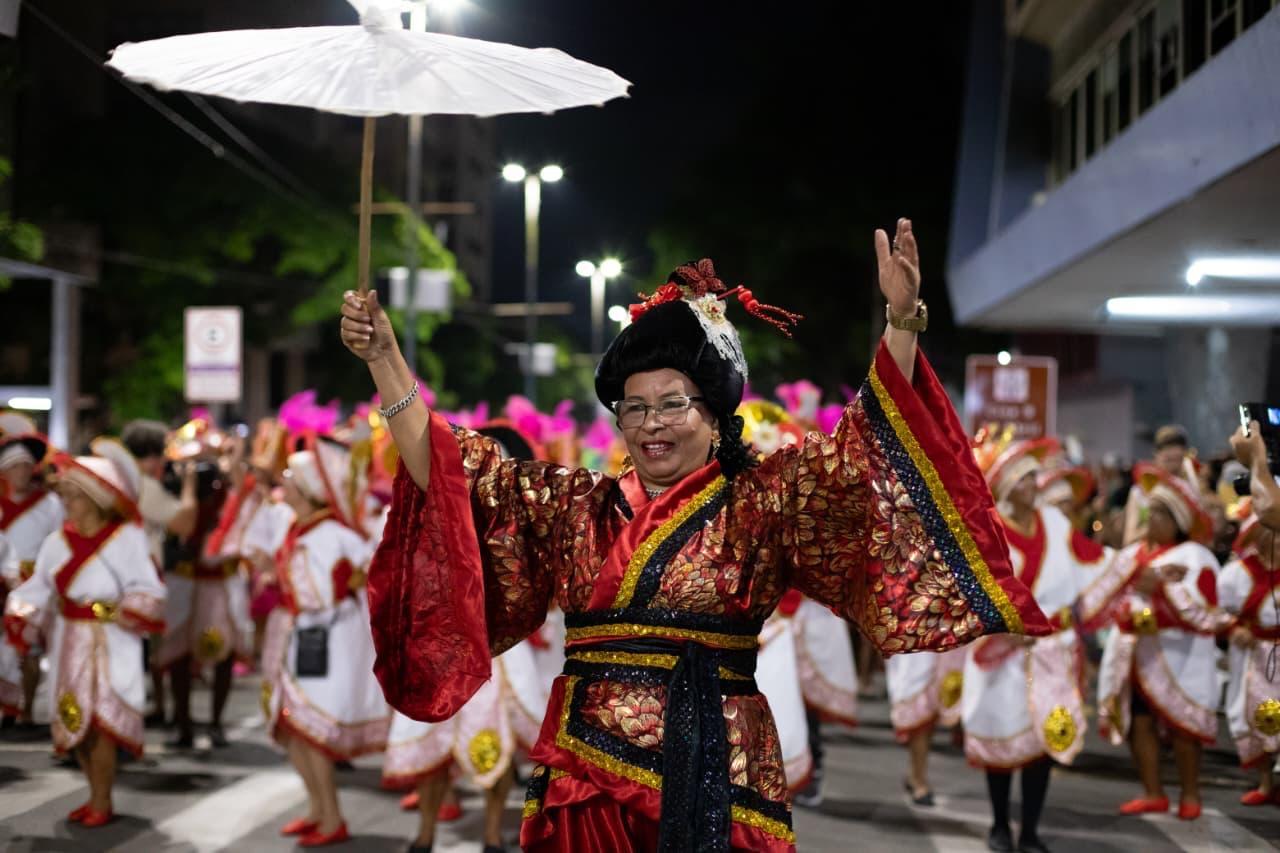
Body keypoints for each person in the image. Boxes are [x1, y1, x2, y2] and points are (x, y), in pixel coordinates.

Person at [342, 219, 1050, 851]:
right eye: (635, 407)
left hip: (719, 767)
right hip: (585, 775)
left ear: (715, 416)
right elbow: (453, 470)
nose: (652, 422)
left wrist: (902, 321)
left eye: (673, 403)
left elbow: (862, 450)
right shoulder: (573, 505)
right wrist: (384, 358)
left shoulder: (765, 500)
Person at [381, 421, 556, 853]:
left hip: (500, 650)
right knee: (433, 742)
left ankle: (493, 835)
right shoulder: (436, 512)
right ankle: (424, 835)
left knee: (495, 740)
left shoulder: (519, 523)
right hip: (441, 646)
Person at [3, 438, 166, 827]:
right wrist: (21, 614)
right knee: (77, 721)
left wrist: (119, 610)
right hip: (67, 639)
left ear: (96, 498)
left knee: (103, 724)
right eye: (66, 494)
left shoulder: (125, 539)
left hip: (110, 640)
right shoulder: (57, 542)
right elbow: (38, 587)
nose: (68, 503)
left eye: (75, 495)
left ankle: (102, 799)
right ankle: (94, 794)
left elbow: (149, 589)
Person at [964, 436, 1111, 853]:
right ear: (1008, 487)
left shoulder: (1056, 524)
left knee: (1043, 742)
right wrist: (1002, 627)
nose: (1035, 484)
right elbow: (975, 590)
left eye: (1034, 477)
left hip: (1050, 652)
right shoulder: (988, 532)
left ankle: (1029, 830)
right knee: (1002, 734)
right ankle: (998, 825)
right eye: (1026, 478)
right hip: (1002, 653)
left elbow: (1093, 558)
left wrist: (1136, 565)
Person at [1084, 462, 1229, 820]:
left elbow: (1208, 616)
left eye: (1163, 513)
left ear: (1178, 521)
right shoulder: (1132, 554)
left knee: (1183, 729)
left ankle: (1191, 794)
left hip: (1179, 659)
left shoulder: (1198, 559)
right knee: (1139, 722)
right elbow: (1107, 595)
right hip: (1133, 655)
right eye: (1153, 511)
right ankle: (1153, 792)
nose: (1153, 518)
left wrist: (1164, 589)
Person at [265, 440, 388, 848]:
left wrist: (345, 581)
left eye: (290, 478)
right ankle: (317, 809)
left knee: (310, 730)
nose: (284, 484)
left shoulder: (335, 533)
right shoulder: (294, 528)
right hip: (299, 636)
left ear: (307, 487)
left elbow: (373, 575)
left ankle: (333, 817)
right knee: (293, 730)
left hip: (330, 641)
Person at [121, 419, 198, 727]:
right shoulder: (143, 484)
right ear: (152, 455)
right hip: (138, 579)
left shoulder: (121, 478)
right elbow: (184, 523)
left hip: (120, 578)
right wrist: (190, 486)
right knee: (137, 655)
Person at [0, 414, 64, 723]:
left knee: (29, 648)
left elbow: (59, 542)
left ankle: (25, 710)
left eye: (26, 466)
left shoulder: (50, 504)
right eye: (14, 467)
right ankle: (7, 705)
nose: (21, 472)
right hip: (3, 582)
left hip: (35, 584)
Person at [1218, 513, 1280, 806]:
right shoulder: (1240, 572)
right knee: (1257, 715)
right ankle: (1266, 782)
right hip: (1255, 657)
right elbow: (1218, 611)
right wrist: (1235, 629)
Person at [1121, 425, 1198, 546]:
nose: (1172, 454)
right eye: (1166, 449)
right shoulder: (1141, 491)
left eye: (1176, 448)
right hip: (1153, 554)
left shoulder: (1194, 487)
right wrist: (1158, 528)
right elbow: (1129, 538)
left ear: (1184, 453)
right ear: (1156, 455)